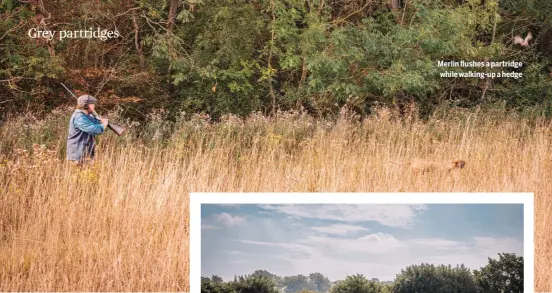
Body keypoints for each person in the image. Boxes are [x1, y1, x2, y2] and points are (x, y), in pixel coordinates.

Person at [66, 95, 108, 166]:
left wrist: (100, 121)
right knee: (79, 176)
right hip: (77, 155)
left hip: (84, 153)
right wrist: (103, 125)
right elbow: (94, 129)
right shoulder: (79, 117)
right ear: (87, 105)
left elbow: (95, 123)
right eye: (92, 104)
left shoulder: (86, 116)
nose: (94, 106)